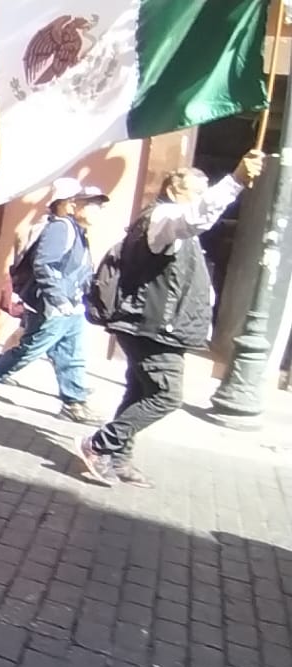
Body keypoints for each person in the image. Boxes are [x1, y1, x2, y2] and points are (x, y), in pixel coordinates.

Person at [81, 151, 263, 488]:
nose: (201, 198)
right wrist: (235, 181)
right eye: (196, 191)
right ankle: (99, 445)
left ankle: (118, 458)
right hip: (152, 328)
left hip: (156, 327)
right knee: (166, 396)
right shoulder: (165, 218)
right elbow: (197, 217)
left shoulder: (175, 229)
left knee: (140, 392)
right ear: (174, 189)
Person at [0, 178, 101, 424]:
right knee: (29, 350)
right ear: (72, 205)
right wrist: (57, 299)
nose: (97, 209)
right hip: (54, 306)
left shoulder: (78, 232)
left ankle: (74, 402)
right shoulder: (61, 229)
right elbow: (44, 265)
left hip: (71, 306)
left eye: (98, 205)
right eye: (91, 204)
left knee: (71, 356)